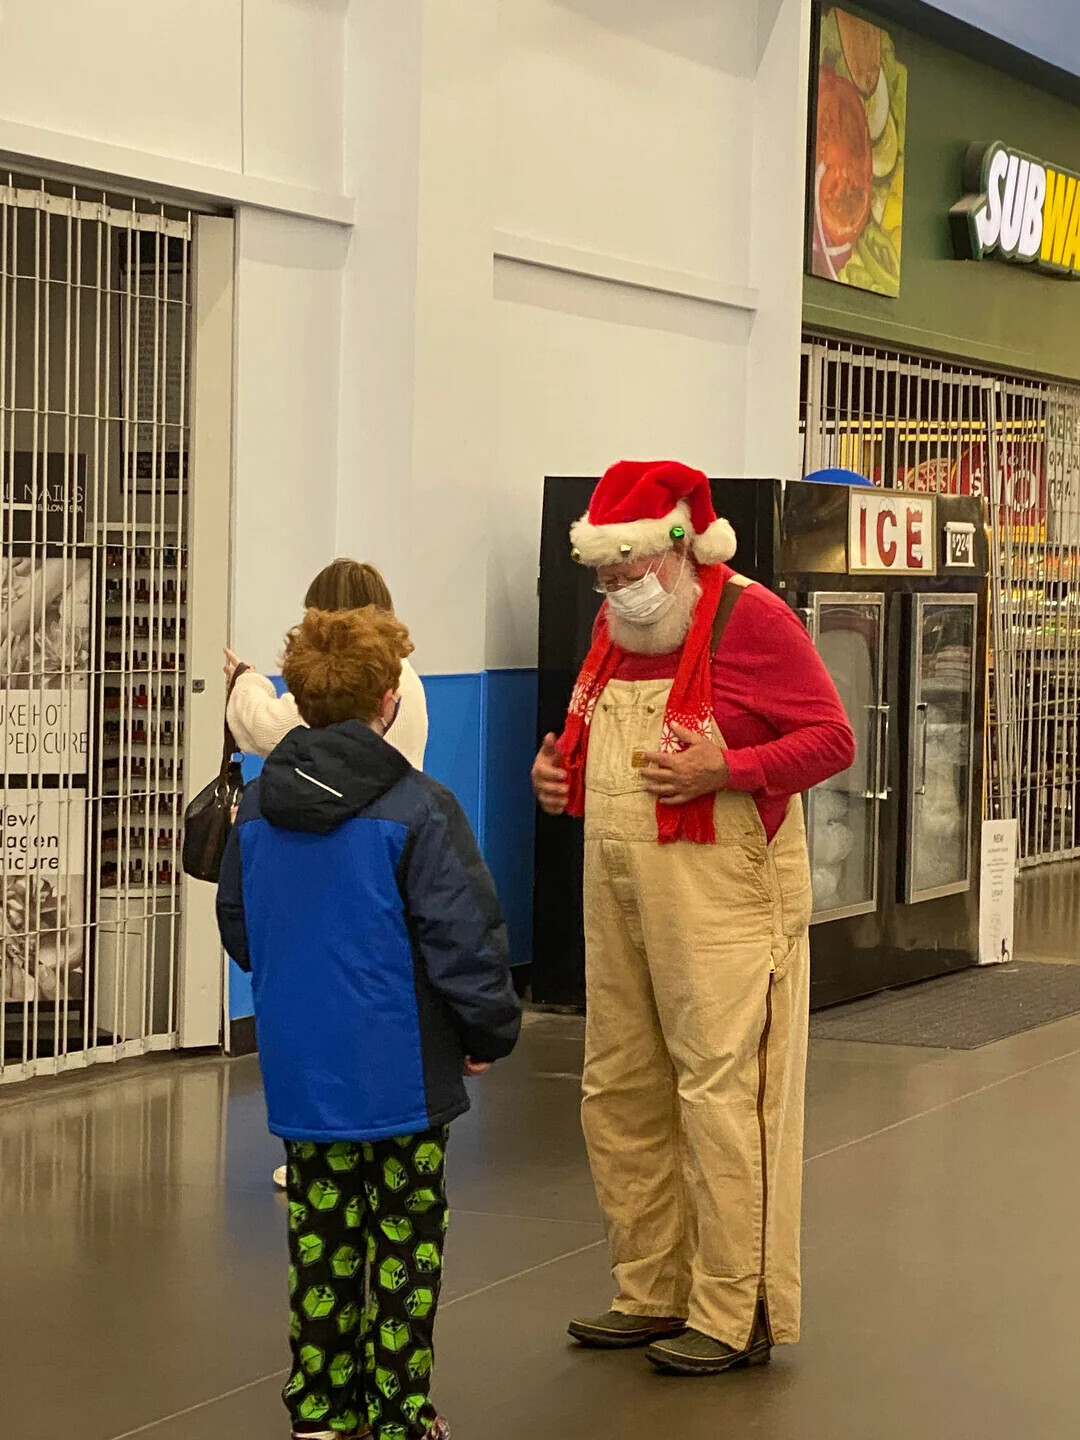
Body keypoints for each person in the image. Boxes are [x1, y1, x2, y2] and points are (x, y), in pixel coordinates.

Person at [531, 460, 855, 1377]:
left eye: (627, 568)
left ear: (679, 548)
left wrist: (730, 769)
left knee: (723, 1093)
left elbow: (833, 738)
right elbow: (591, 743)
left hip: (726, 892)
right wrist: (556, 776)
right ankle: (652, 1288)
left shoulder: (753, 617)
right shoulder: (616, 628)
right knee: (621, 1084)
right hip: (621, 882)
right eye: (602, 573)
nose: (615, 587)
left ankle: (736, 1307)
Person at [217, 606, 521, 1440]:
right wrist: (486, 1033)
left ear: (300, 700)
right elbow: (462, 935)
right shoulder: (420, 808)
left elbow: (241, 927)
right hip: (403, 1073)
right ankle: (397, 1413)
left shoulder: (257, 809)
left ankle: (319, 1409)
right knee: (405, 1244)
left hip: (302, 1070)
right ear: (390, 699)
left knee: (319, 1239)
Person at [223, 559, 429, 1191]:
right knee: (378, 1014)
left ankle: (321, 1154)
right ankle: (385, 1151)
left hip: (329, 867)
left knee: (322, 1017)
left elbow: (267, 729)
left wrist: (245, 681)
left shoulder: (337, 689)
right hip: (390, 868)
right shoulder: (409, 680)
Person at [225, 559, 428, 771]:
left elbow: (270, 729)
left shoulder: (352, 676)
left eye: (312, 614)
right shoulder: (403, 672)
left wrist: (247, 682)